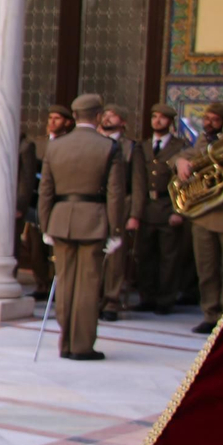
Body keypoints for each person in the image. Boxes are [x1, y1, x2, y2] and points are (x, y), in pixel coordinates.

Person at [39, 94, 126, 361]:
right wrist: (116, 230)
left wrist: (45, 225)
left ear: (74, 116)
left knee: (64, 283)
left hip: (61, 218)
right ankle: (82, 345)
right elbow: (115, 193)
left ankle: (65, 342)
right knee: (87, 284)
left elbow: (46, 191)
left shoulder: (55, 146)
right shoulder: (109, 147)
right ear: (98, 116)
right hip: (94, 219)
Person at [131, 102, 188, 314]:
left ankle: (165, 299)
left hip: (168, 206)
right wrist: (135, 213)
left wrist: (178, 211)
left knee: (169, 258)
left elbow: (183, 183)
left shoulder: (179, 147)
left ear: (170, 122)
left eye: (162, 117)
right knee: (145, 256)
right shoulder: (143, 147)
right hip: (147, 208)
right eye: (154, 116)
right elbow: (138, 182)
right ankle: (147, 297)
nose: (157, 121)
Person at [180, 103, 223, 335]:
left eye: (214, 119)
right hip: (203, 214)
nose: (208, 122)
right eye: (206, 118)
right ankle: (210, 314)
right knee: (206, 268)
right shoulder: (202, 140)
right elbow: (186, 156)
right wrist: (180, 162)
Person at [20, 106, 72, 300]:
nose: (52, 122)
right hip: (38, 201)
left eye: (57, 118)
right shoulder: (39, 145)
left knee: (57, 247)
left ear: (67, 122)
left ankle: (60, 286)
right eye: (50, 118)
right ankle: (42, 284)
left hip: (60, 201)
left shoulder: (70, 144)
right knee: (36, 247)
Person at [98, 106, 136, 321]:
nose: (107, 118)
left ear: (122, 121)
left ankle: (111, 301)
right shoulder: (93, 141)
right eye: (104, 114)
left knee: (115, 257)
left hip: (121, 206)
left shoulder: (130, 147)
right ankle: (93, 298)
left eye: (112, 115)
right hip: (95, 205)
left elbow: (137, 184)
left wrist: (135, 214)